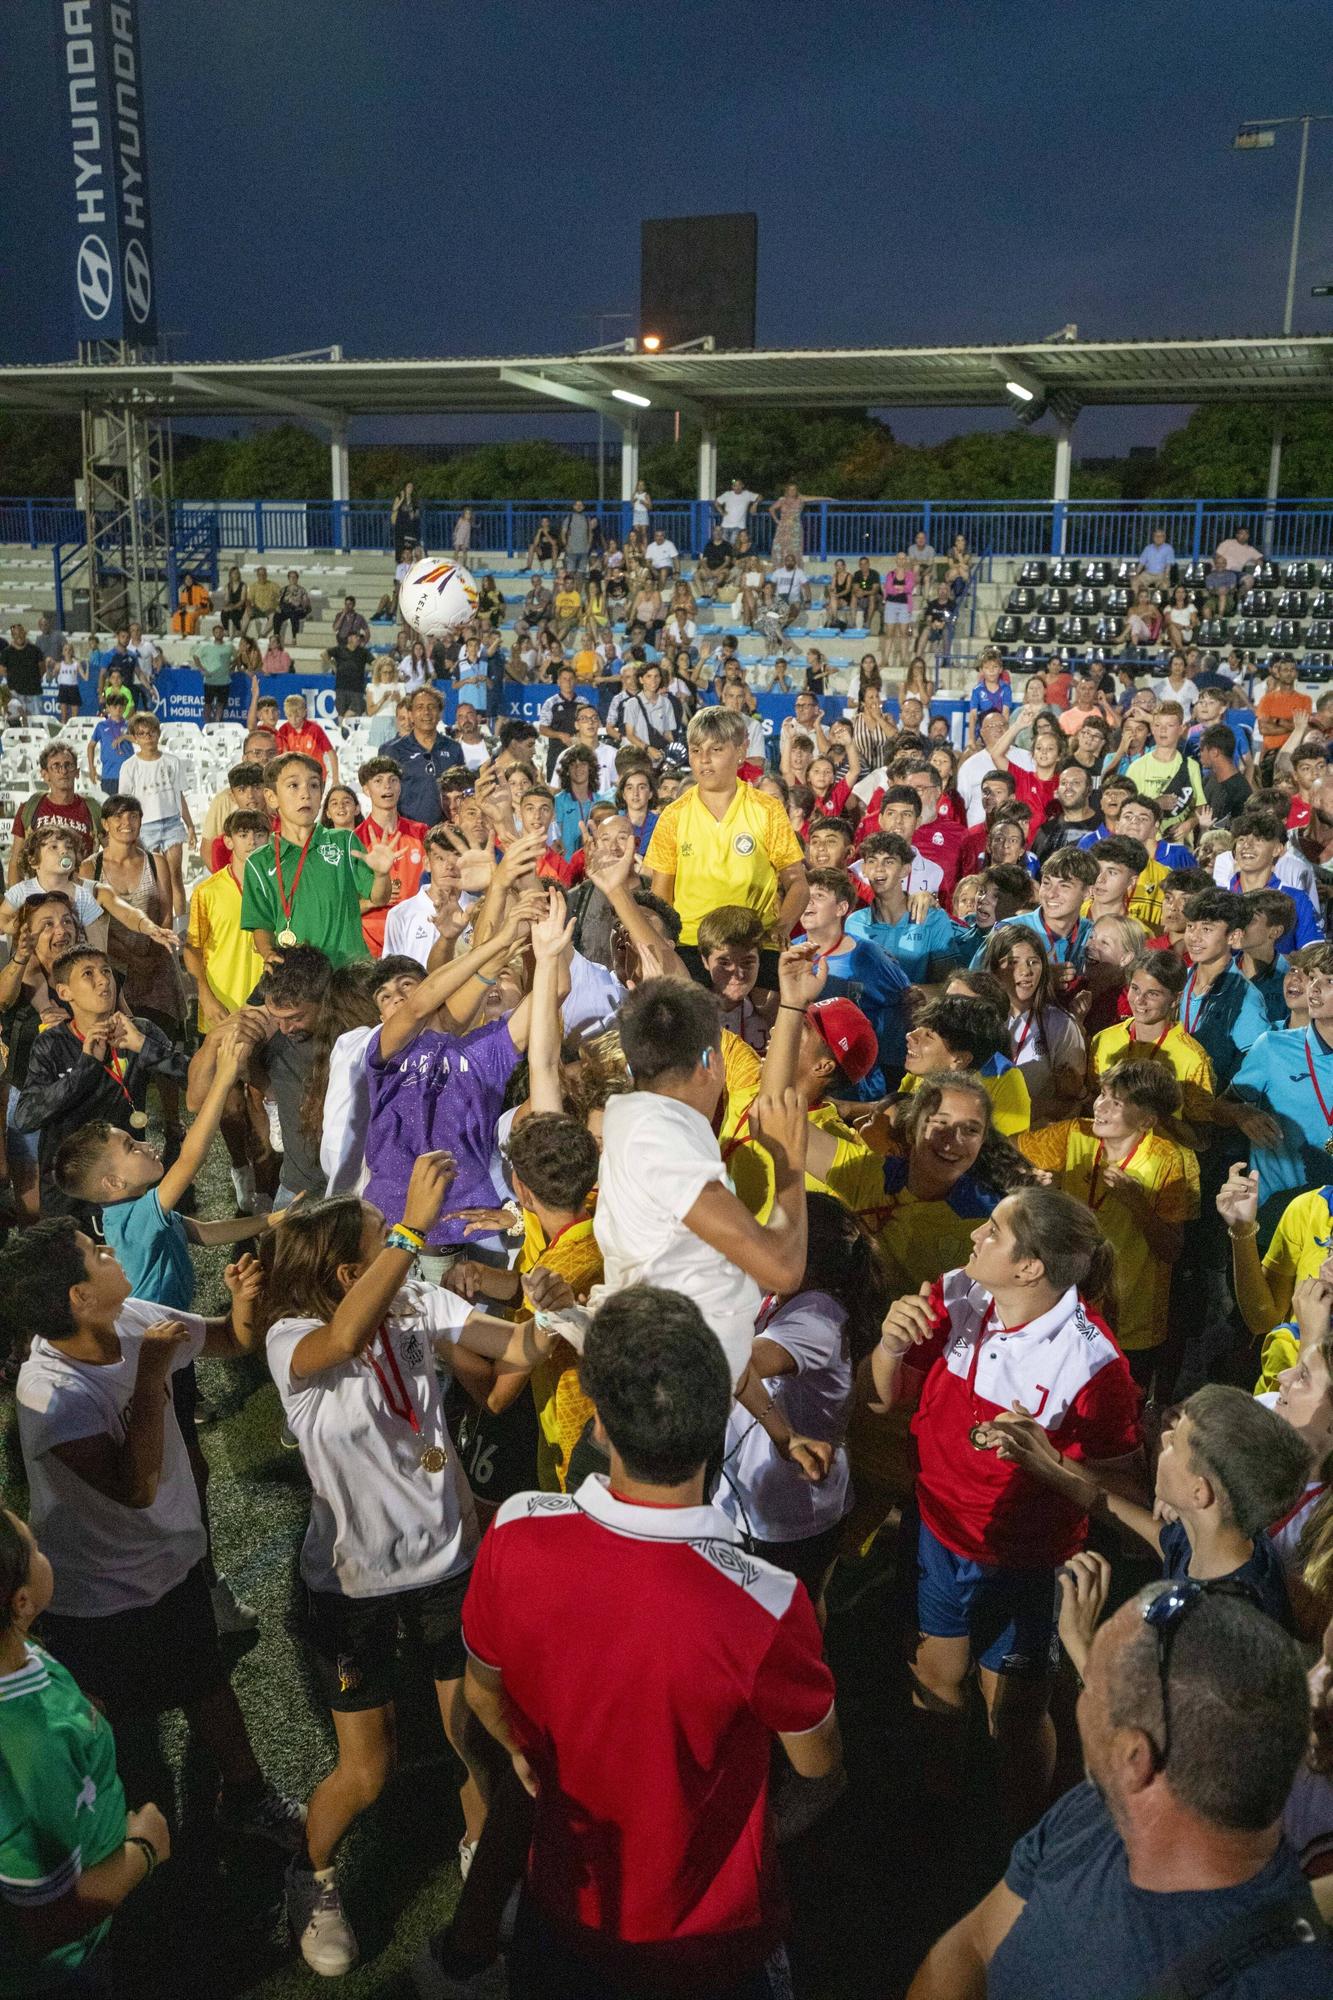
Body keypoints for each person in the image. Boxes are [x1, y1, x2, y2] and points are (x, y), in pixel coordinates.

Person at [440, 1283, 840, 2000]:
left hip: (563, 1916)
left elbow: (482, 1690)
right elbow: (817, 1766)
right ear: (718, 1417)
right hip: (710, 1946)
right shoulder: (768, 1602)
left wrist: (530, 1760)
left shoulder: (518, 1534)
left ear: (596, 1424)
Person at [259, 1152, 563, 1974]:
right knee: (368, 1768)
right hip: (349, 1586)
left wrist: (561, 1315)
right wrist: (411, 1226)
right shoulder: (293, 1338)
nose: (406, 1254)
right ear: (351, 1268)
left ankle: (477, 1856)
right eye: (379, 1241)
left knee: (474, 1736)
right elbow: (347, 1334)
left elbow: (516, 1343)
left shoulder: (414, 1298)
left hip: (447, 1565)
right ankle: (310, 1873)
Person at [6, 1219, 303, 1847]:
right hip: (97, 1591)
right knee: (98, 1719)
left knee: (206, 1680)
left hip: (171, 1557)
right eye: (96, 1254)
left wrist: (244, 1301)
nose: (110, 1251)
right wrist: (147, 1377)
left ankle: (246, 1795)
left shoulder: (132, 1316)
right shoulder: (50, 1393)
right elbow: (134, 1486)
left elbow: (231, 1340)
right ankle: (94, 1836)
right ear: (77, 1299)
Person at [907, 1583, 1333, 2000]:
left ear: (1135, 1760)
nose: (1078, 1703)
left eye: (1089, 1686)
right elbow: (975, 1945)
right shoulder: (1098, 1809)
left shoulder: (1278, 1982)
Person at [871, 1188, 1142, 1835]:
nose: (973, 1238)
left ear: (1029, 1268)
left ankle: (1022, 1836)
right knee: (936, 1675)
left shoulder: (1094, 1364)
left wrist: (1045, 1462)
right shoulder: (956, 1291)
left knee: (1015, 1710)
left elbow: (1121, 1494)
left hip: (1029, 1558)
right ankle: (937, 1813)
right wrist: (886, 1343)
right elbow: (885, 1401)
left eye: (991, 1231)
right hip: (938, 1531)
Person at [0, 1508, 173, 1998]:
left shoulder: (14, 1656)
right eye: (33, 1550)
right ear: (21, 1601)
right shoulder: (34, 1744)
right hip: (63, 1965)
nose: (42, 1553)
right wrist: (143, 1849)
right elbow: (47, 1922)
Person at [13, 944, 189, 1194]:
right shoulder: (52, 1043)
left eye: (106, 971)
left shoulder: (139, 1032)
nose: (103, 981)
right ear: (64, 992)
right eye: (88, 974)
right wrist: (86, 1066)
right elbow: (25, 1117)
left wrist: (144, 1047)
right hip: (70, 1187)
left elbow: (195, 1079)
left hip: (126, 1181)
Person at [647, 708, 807, 971]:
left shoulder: (767, 810)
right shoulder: (673, 815)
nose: (704, 760)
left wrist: (781, 927)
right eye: (696, 750)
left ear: (741, 752)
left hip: (756, 945)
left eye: (716, 750)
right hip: (691, 947)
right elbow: (660, 899)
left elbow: (798, 884)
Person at [240, 753, 396, 968]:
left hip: (349, 973)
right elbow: (261, 923)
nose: (306, 794)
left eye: (314, 786)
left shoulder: (344, 841)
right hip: (299, 977)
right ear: (271, 796)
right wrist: (267, 952)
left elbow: (379, 898)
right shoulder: (259, 862)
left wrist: (381, 874)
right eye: (293, 785)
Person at [183, 808, 271, 1037]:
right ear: (229, 841)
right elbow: (192, 950)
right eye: (243, 835)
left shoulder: (279, 888)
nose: (252, 841)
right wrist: (205, 995)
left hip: (271, 1008)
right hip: (223, 1006)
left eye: (260, 834)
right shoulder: (207, 892)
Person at [115, 713, 194, 929]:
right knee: (151, 880)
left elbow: (179, 796)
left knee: (174, 875)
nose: (147, 737)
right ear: (135, 738)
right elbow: (125, 803)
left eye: (151, 733)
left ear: (158, 734)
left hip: (171, 823)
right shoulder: (130, 766)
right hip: (145, 827)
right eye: (141, 734)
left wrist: (190, 825)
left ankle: (181, 929)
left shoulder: (172, 762)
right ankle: (152, 926)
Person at [354, 755, 428, 958]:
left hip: (416, 934)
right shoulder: (354, 840)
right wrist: (373, 901)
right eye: (378, 781)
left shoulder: (421, 832)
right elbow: (342, 904)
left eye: (393, 780)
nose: (387, 786)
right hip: (371, 941)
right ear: (366, 790)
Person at [9, 742, 103, 872]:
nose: (63, 771)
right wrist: (16, 892)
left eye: (68, 765)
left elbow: (114, 853)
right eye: (56, 766)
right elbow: (16, 861)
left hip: (80, 887)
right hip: (40, 889)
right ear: (45, 774)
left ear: (77, 772)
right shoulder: (29, 809)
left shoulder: (93, 809)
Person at [382, 686, 465, 823]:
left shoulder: (454, 748)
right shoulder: (395, 750)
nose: (426, 712)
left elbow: (461, 792)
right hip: (408, 833)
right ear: (411, 714)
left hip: (446, 832)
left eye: (431, 707)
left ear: (440, 714)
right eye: (420, 707)